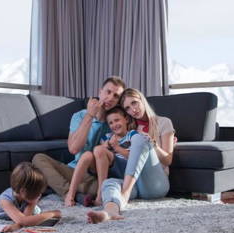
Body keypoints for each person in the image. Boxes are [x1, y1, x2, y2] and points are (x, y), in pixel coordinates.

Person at [32, 76, 126, 207]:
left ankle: (64, 189)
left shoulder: (116, 123)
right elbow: (74, 149)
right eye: (108, 92)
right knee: (38, 158)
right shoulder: (80, 116)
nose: (110, 98)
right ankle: (71, 194)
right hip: (73, 171)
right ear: (100, 92)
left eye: (116, 96)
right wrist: (90, 115)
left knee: (99, 187)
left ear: (119, 101)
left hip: (95, 179)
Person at [87, 88, 176, 224]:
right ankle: (109, 212)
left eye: (134, 103)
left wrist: (153, 145)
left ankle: (125, 192)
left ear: (142, 99)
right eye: (127, 108)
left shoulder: (164, 122)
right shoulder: (129, 127)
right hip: (136, 184)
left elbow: (168, 160)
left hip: (156, 184)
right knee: (109, 183)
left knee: (140, 139)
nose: (133, 110)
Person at [65, 106, 137, 207]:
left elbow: (134, 158)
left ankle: (100, 196)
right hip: (109, 169)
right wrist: (106, 145)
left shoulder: (132, 135)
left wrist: (116, 147)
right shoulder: (107, 136)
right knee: (86, 155)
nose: (114, 125)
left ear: (126, 119)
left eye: (117, 120)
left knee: (98, 149)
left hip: (125, 170)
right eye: (111, 123)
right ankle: (70, 195)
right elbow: (98, 154)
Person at [0, 162, 61, 232]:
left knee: (35, 212)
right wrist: (53, 213)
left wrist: (18, 225)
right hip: (5, 211)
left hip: (22, 209)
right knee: (34, 215)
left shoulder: (26, 196)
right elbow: (24, 221)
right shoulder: (5, 200)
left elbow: (25, 219)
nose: (39, 195)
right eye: (37, 193)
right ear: (23, 191)